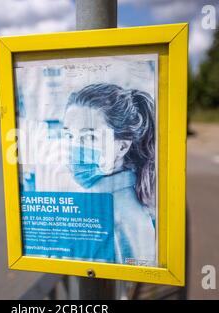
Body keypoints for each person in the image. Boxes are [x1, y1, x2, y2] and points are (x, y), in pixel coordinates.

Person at [62, 83, 156, 266]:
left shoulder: (118, 217)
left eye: (89, 137)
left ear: (122, 146)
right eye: (68, 136)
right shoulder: (102, 199)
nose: (74, 148)